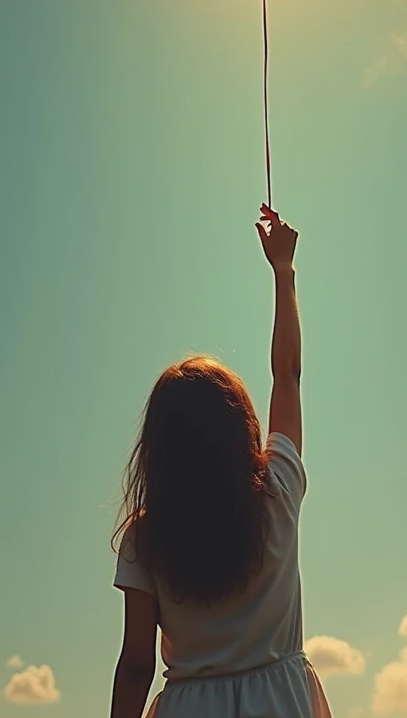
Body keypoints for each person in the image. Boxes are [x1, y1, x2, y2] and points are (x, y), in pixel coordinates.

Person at [109, 203, 332, 718]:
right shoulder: (277, 490)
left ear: (158, 448)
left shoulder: (146, 537)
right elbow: (288, 375)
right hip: (282, 704)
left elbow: (136, 665)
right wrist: (283, 271)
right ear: (241, 428)